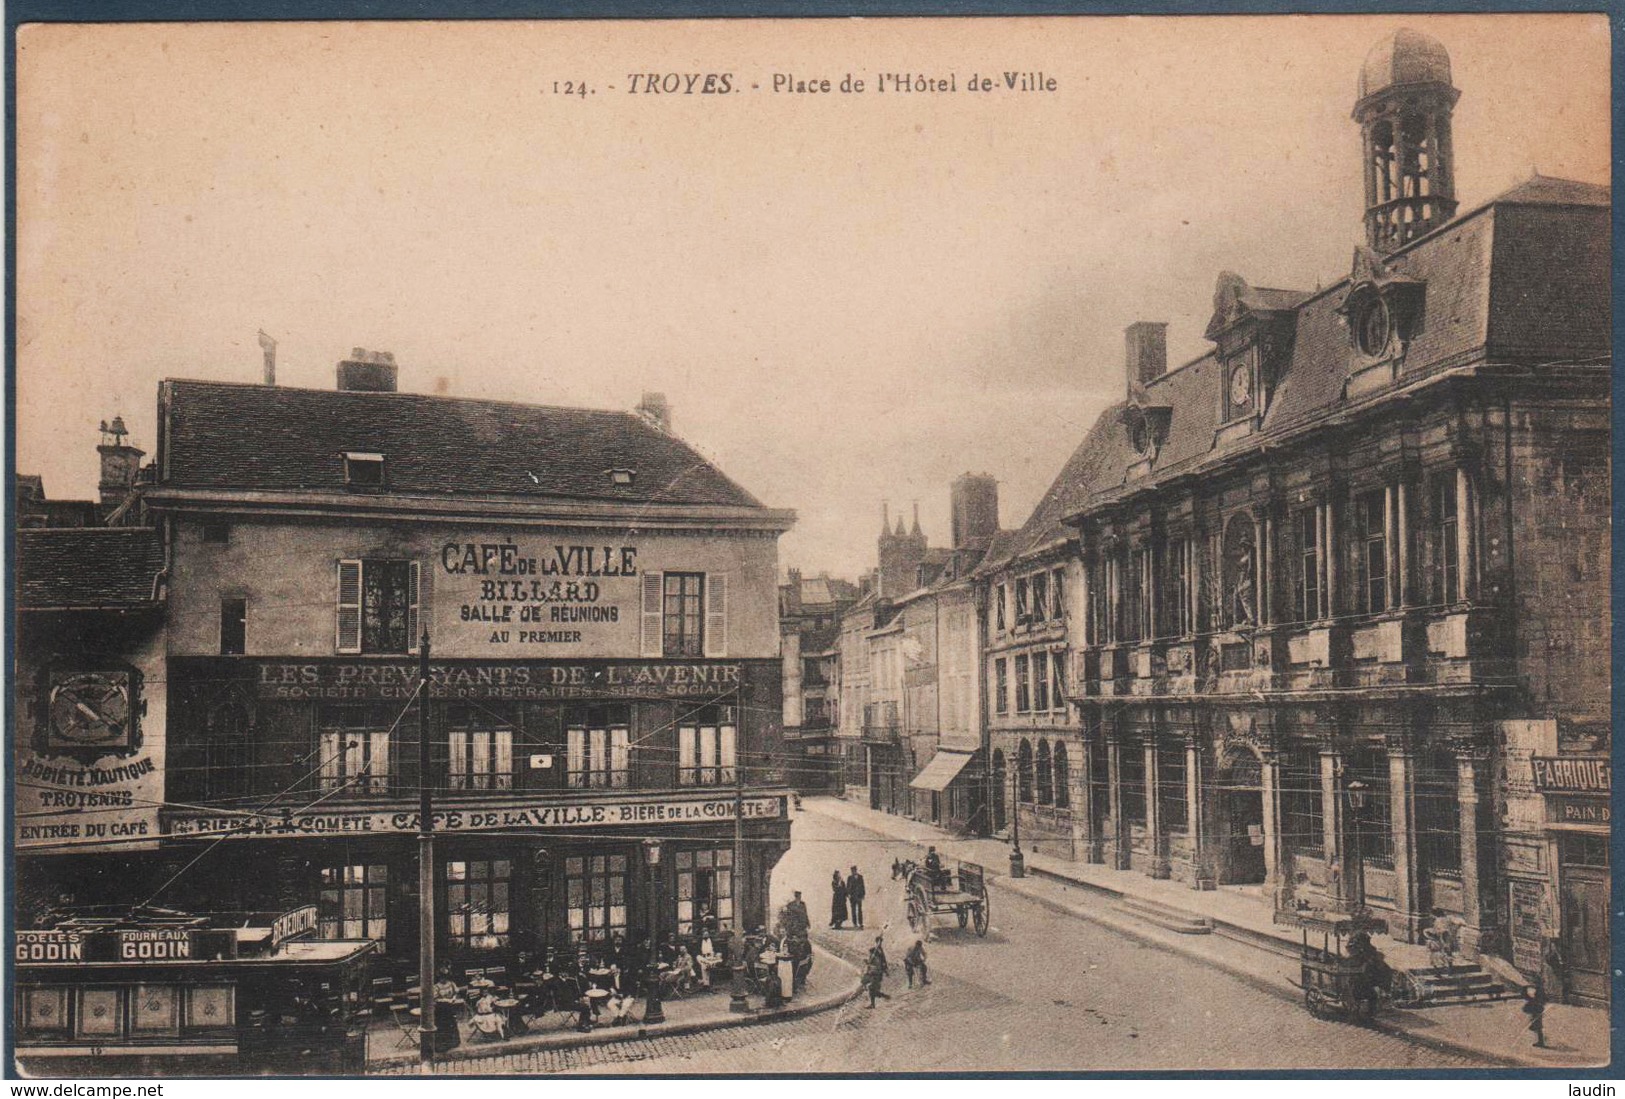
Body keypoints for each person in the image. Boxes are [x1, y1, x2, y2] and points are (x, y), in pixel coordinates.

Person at [863, 934, 891, 1008]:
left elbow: (882, 962)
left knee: (871, 988)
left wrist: (885, 971)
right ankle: (883, 996)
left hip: (876, 973)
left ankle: (874, 1003)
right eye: (878, 942)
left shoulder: (879, 952)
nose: (879, 944)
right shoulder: (876, 951)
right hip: (873, 972)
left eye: (880, 942)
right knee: (871, 988)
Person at [1523, 984, 1547, 1048]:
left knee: (1537, 1026)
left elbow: (1530, 999)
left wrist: (1525, 990)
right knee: (1537, 1026)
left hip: (1536, 1010)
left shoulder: (1539, 992)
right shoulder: (1540, 991)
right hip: (1538, 1009)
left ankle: (1541, 1042)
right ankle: (1541, 1041)